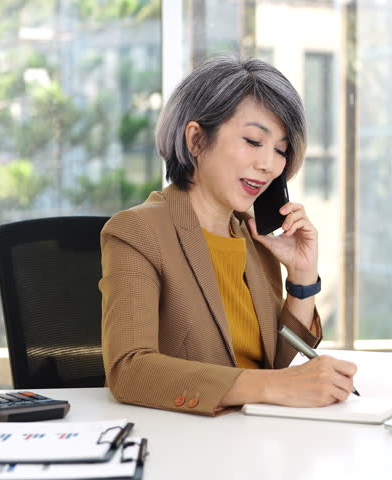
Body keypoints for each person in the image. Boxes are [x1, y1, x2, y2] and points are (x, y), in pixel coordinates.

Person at [99, 56, 357, 416]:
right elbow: (130, 370)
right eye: (253, 141)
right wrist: (277, 386)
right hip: (186, 437)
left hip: (257, 436)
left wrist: (301, 279)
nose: (269, 164)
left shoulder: (254, 237)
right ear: (196, 139)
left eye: (281, 150)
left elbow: (277, 364)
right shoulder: (137, 231)